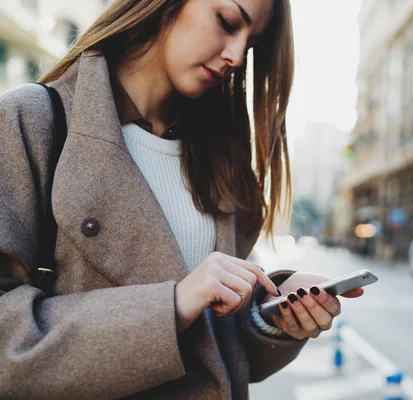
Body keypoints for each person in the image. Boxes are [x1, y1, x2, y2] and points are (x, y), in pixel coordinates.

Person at [0, 0, 363, 398]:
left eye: (252, 44)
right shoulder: (32, 120)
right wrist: (170, 306)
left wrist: (274, 311)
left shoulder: (218, 159)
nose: (237, 57)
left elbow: (217, 353)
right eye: (226, 22)